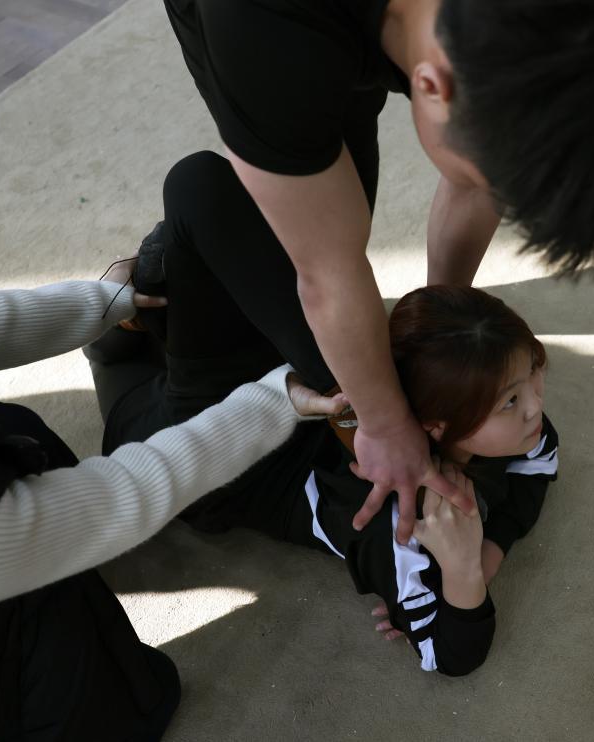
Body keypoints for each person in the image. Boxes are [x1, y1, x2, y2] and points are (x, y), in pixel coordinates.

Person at [160, 0, 594, 542]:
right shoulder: (265, 41)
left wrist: (442, 331)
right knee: (309, 242)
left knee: (346, 202)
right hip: (264, 32)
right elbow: (327, 272)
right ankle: (168, 256)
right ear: (432, 85)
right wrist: (385, 423)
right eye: (494, 187)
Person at [0, 204, 345, 740]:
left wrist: (105, 300)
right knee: (63, 622)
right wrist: (272, 401)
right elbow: (112, 502)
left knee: (9, 432)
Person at [86, 153, 559, 675]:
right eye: (513, 398)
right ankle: (145, 304)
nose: (536, 406)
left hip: (213, 459)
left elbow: (447, 652)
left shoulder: (415, 523)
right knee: (206, 191)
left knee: (132, 335)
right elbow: (534, 469)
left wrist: (473, 562)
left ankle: (126, 318)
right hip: (289, 383)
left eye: (533, 372)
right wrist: (467, 565)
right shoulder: (499, 438)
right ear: (436, 425)